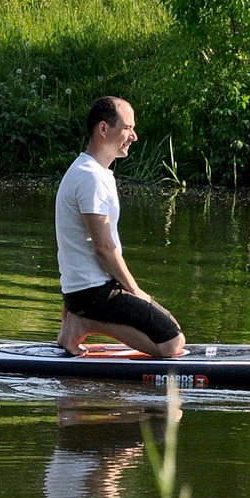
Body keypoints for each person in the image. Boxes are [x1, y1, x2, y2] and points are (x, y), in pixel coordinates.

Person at [55, 96, 185, 358]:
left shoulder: (92, 172)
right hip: (92, 291)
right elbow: (104, 247)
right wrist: (134, 291)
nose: (134, 136)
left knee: (171, 334)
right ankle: (84, 323)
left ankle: (77, 320)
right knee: (172, 344)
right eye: (127, 128)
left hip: (84, 292)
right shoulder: (90, 177)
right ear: (103, 129)